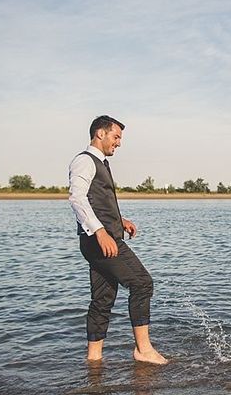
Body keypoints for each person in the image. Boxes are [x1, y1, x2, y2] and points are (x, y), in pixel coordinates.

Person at [69, 115, 167, 365]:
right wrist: (101, 231)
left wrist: (120, 220)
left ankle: (94, 359)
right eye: (116, 137)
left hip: (100, 239)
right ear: (100, 134)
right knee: (143, 283)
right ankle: (143, 350)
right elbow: (77, 198)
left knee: (103, 298)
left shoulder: (101, 163)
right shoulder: (85, 161)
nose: (119, 143)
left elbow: (97, 201)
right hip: (101, 241)